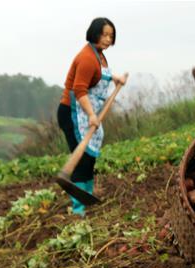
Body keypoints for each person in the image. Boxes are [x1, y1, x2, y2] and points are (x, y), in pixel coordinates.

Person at [57, 17, 127, 215]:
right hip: (74, 113)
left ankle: (86, 196)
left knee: (88, 158)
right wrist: (91, 115)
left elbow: (100, 74)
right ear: (94, 33)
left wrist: (116, 78)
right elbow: (79, 90)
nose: (107, 39)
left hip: (88, 112)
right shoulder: (87, 57)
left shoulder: (98, 54)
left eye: (110, 36)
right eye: (104, 34)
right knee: (81, 160)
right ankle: (78, 209)